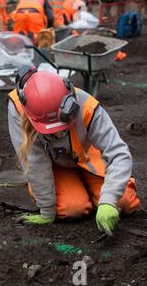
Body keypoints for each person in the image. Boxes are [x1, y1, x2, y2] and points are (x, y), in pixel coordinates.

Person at [7, 67, 139, 235]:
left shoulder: (87, 106)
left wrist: (109, 200)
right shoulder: (20, 108)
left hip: (88, 156)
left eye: (62, 129)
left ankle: (96, 193)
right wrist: (47, 211)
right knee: (72, 209)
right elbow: (35, 162)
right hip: (56, 164)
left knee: (125, 203)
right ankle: (81, 190)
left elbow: (118, 153)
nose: (58, 134)